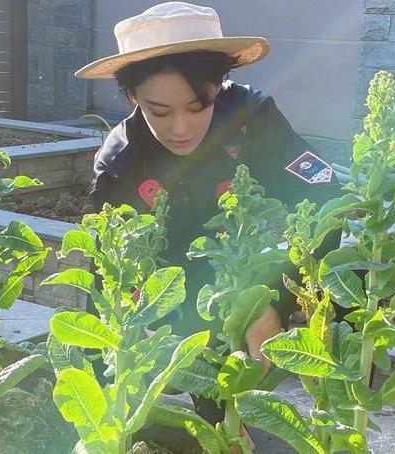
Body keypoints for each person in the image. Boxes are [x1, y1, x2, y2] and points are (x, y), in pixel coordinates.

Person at [74, 0, 343, 441]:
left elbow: (327, 203)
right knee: (197, 424)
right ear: (132, 97)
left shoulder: (252, 119)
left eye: (198, 105)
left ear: (219, 86)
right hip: (178, 307)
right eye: (159, 111)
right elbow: (109, 275)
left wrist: (275, 302)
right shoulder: (122, 163)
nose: (181, 127)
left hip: (253, 277)